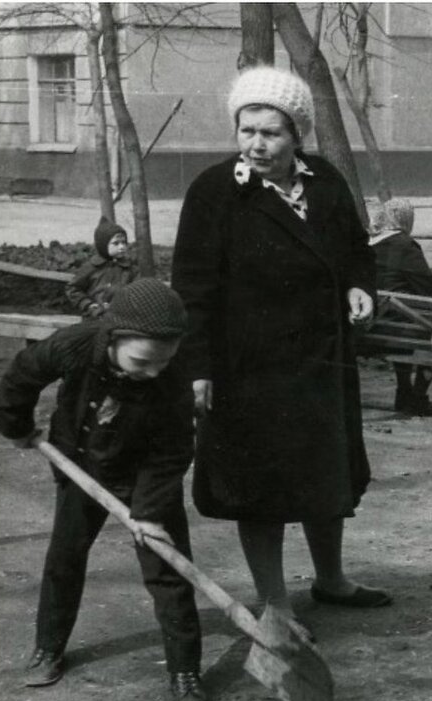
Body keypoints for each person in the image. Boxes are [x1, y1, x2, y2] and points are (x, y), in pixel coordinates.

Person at [170, 66, 388, 636]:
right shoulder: (216, 192)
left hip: (321, 361)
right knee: (260, 489)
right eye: (247, 130)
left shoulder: (325, 182)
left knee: (326, 474)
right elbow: (192, 289)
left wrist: (359, 286)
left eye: (271, 132)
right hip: (249, 370)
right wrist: (197, 369)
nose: (256, 144)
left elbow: (357, 250)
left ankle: (331, 579)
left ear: (298, 135)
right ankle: (276, 604)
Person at [0, 279, 209, 701]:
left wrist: (149, 514)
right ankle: (48, 648)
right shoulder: (74, 345)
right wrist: (16, 426)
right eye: (142, 361)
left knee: (168, 572)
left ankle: (185, 672)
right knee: (64, 559)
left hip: (146, 474)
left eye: (164, 361)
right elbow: (22, 374)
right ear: (113, 339)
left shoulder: (173, 378)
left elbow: (173, 450)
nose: (154, 372)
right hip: (83, 464)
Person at [370, 198, 432, 415]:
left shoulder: (368, 245)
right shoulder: (406, 246)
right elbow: (430, 290)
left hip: (369, 326)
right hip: (399, 328)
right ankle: (417, 396)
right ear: (406, 219)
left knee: (404, 316)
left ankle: (404, 390)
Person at [64, 217, 137, 318]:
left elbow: (137, 293)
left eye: (124, 242)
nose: (122, 247)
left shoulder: (130, 269)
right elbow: (73, 288)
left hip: (121, 318)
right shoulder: (91, 267)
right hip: (95, 316)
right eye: (116, 243)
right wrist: (88, 304)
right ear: (103, 245)